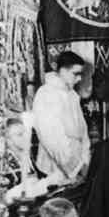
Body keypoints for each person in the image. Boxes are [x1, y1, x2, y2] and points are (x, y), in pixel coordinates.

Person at [29, 51, 91, 183]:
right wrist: (77, 168)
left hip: (79, 167)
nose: (79, 79)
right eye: (76, 74)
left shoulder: (72, 94)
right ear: (61, 70)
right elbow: (53, 139)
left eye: (81, 74)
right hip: (55, 168)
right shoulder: (46, 93)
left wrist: (85, 162)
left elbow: (83, 134)